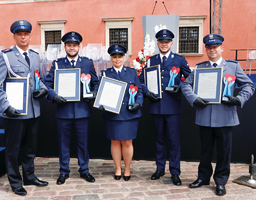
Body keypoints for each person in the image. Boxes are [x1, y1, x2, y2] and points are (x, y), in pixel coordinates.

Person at [182, 33, 255, 196]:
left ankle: (221, 181)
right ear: (206, 49)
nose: (212, 49)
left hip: (225, 116)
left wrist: (237, 99)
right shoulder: (200, 68)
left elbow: (249, 86)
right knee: (205, 151)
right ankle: (203, 177)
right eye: (209, 47)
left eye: (215, 46)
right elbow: (186, 85)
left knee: (224, 152)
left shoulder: (233, 67)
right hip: (205, 115)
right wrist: (194, 99)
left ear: (221, 48)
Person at [0, 20, 49, 196]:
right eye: (19, 34)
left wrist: (43, 90)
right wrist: (6, 107)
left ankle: (29, 176)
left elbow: (39, 79)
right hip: (14, 111)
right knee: (13, 149)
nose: (23, 37)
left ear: (30, 35)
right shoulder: (6, 56)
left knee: (30, 148)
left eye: (26, 34)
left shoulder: (35, 55)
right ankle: (15, 182)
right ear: (14, 36)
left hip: (33, 109)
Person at [44, 31, 99, 185]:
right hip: (64, 110)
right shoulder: (57, 64)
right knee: (63, 143)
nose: (72, 48)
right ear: (65, 47)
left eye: (75, 45)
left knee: (83, 143)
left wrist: (94, 92)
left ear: (79, 46)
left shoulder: (87, 63)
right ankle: (63, 171)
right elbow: (47, 84)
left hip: (82, 110)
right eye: (69, 45)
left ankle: (84, 170)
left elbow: (96, 82)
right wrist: (53, 95)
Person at [139, 29, 191, 185]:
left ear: (171, 43)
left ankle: (175, 172)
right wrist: (147, 92)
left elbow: (191, 78)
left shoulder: (179, 60)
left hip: (173, 106)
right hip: (156, 106)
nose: (164, 44)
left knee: (174, 141)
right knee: (159, 139)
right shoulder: (150, 61)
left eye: (167, 42)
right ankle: (160, 168)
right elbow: (141, 81)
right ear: (157, 44)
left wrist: (181, 87)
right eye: (161, 42)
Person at [99, 44, 143, 181]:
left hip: (129, 113)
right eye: (114, 57)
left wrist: (138, 103)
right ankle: (118, 168)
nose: (117, 59)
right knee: (115, 142)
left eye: (120, 57)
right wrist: (100, 102)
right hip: (112, 114)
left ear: (124, 58)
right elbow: (100, 91)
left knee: (128, 142)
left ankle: (127, 169)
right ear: (111, 58)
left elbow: (139, 90)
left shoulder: (131, 72)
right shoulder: (105, 74)